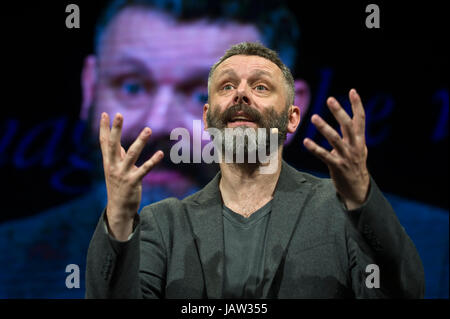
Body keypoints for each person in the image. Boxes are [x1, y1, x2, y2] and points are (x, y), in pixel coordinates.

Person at [0, 0, 310, 298]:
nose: (159, 123)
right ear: (90, 87)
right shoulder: (9, 266)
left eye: (204, 95)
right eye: (131, 86)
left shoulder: (346, 251)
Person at [86, 42, 424, 298]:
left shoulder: (340, 211)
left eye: (260, 87)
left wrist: (362, 198)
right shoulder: (164, 224)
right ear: (207, 117)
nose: (241, 94)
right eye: (227, 86)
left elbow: (404, 291)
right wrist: (119, 217)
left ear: (293, 117)